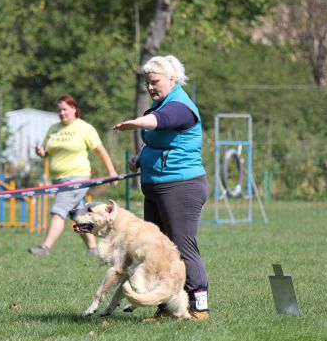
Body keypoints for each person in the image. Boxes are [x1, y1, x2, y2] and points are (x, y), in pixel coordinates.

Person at [113, 55, 210, 320]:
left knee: (182, 246)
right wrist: (139, 159)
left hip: (181, 186)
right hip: (156, 187)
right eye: (147, 83)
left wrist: (136, 122)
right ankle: (168, 306)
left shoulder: (180, 105)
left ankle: (199, 304)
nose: (150, 88)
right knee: (159, 249)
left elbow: (162, 122)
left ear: (172, 79)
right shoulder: (162, 104)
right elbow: (158, 142)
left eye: (154, 82)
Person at [29, 94, 118, 256]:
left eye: (65, 109)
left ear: (74, 109)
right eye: (59, 110)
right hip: (58, 179)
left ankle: (45, 247)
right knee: (78, 214)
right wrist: (41, 153)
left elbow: (100, 151)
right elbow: (46, 151)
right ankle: (93, 249)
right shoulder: (54, 129)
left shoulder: (84, 128)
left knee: (59, 210)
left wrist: (112, 172)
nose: (61, 113)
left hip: (77, 177)